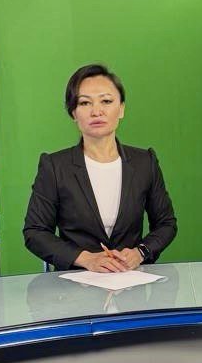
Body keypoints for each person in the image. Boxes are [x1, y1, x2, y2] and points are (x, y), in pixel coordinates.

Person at [23, 64, 177, 272]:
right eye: (85, 103)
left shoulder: (144, 162)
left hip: (130, 279)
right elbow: (35, 232)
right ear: (73, 113)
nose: (97, 111)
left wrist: (140, 253)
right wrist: (86, 259)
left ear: (121, 108)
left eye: (106, 101)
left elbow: (166, 224)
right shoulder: (55, 166)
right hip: (76, 282)